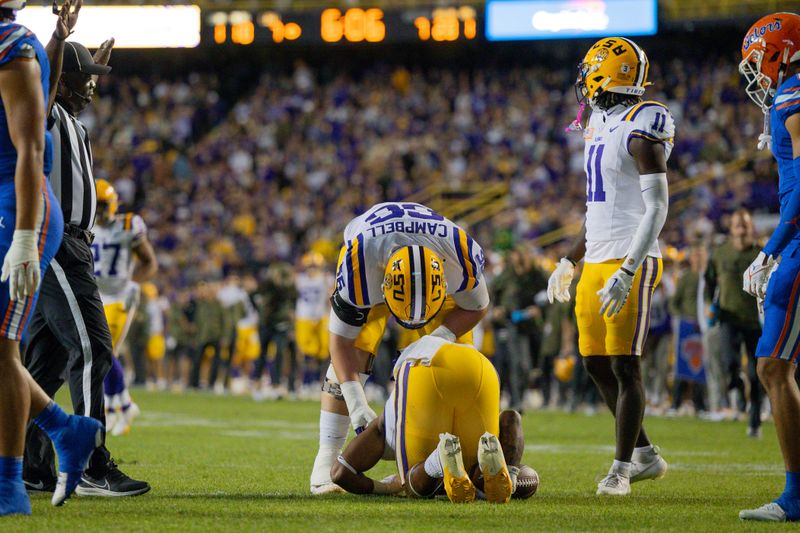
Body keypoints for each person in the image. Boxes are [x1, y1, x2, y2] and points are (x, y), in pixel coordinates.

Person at [22, 32, 150, 496]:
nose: (92, 87)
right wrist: (61, 41)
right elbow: (47, 83)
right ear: (62, 81)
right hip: (56, 244)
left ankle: (27, 464)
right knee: (95, 348)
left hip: (75, 247)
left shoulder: (73, 122)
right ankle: (93, 461)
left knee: (43, 367)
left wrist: (88, 62)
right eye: (85, 80)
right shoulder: (45, 110)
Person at [547, 37, 671, 496]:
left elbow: (656, 208)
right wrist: (570, 257)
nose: (583, 80)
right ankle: (644, 455)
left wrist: (629, 269)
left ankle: (622, 468)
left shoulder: (644, 125)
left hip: (631, 257)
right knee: (594, 363)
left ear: (606, 74)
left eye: (590, 70)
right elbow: (597, 205)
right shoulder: (598, 120)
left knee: (626, 366)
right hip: (596, 255)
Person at [0, 0, 104, 514]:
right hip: (20, 209)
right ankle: (63, 433)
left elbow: (30, 142)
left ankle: (15, 484)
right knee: (17, 354)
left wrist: (23, 234)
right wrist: (61, 42)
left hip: (17, 208)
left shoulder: (12, 42)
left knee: (10, 351)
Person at [310, 202, 489, 494]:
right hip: (378, 259)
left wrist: (440, 336)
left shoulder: (461, 256)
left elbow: (478, 307)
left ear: (445, 282)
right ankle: (325, 460)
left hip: (432, 261)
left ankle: (462, 463)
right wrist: (357, 404)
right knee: (358, 348)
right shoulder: (361, 264)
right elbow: (340, 341)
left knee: (457, 361)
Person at [738, 12, 800, 522]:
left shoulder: (793, 95)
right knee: (776, 366)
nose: (755, 74)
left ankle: (795, 496)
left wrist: (770, 248)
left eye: (757, 60)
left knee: (772, 365)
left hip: (799, 242)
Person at [331, 335, 518, 504]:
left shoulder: (383, 427)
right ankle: (510, 475)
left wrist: (390, 487)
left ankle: (438, 458)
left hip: (424, 364)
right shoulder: (384, 424)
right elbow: (510, 419)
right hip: (480, 364)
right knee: (479, 472)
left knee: (414, 486)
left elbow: (340, 474)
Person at [92, 179, 157, 436]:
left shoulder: (128, 225)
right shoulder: (83, 226)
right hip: (95, 296)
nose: (97, 210)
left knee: (104, 353)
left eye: (102, 205)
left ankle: (114, 409)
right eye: (94, 204)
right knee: (101, 354)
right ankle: (123, 406)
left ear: (113, 204)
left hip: (119, 296)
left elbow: (150, 262)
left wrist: (133, 284)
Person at [704, 209, 763, 436]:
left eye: (745, 224)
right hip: (728, 317)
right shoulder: (720, 253)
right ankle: (737, 387)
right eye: (737, 224)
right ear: (731, 228)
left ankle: (755, 422)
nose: (741, 228)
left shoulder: (760, 254)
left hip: (755, 320)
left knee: (756, 373)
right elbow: (709, 279)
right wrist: (711, 303)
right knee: (729, 363)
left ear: (751, 228)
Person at [295, 251, 333, 395]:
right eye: (310, 266)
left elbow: (332, 294)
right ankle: (306, 382)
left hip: (321, 316)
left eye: (315, 266)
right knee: (306, 351)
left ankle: (319, 381)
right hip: (304, 316)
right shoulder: (300, 279)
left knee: (323, 351)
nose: (312, 269)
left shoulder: (326, 278)